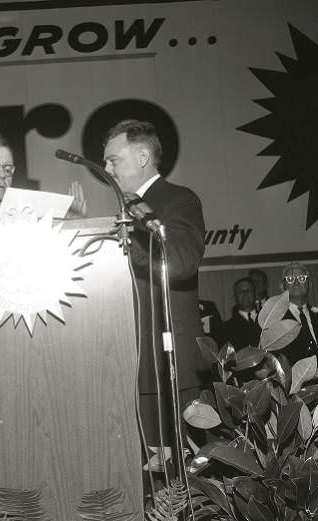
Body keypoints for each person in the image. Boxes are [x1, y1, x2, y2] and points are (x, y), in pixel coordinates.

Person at [102, 119, 208, 449]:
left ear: (143, 157)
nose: (106, 169)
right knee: (146, 479)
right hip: (136, 367)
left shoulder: (179, 200)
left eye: (113, 160)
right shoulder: (128, 211)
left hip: (174, 372)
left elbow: (179, 262)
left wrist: (128, 239)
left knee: (183, 479)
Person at [278, 263, 318, 367]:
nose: (296, 282)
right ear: (282, 286)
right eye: (290, 279)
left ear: (309, 284)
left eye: (302, 278)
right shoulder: (276, 320)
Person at [224, 278, 262, 350]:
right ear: (235, 297)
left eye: (249, 290)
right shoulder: (226, 328)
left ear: (255, 294)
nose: (245, 294)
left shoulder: (268, 320)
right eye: (241, 292)